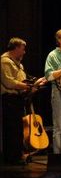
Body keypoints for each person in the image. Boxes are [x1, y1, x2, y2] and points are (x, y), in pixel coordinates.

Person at [1, 37, 46, 165]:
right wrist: (27, 86)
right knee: (12, 130)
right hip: (9, 99)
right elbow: (8, 82)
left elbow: (24, 79)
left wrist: (34, 84)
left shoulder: (18, 64)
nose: (24, 52)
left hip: (18, 99)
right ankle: (11, 158)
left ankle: (18, 155)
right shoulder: (5, 62)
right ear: (15, 48)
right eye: (22, 49)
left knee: (18, 129)